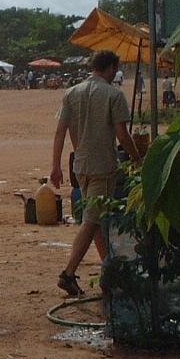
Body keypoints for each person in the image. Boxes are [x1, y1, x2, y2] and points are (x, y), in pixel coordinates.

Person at [49, 49, 142, 298]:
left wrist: (56, 166)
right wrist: (137, 158)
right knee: (92, 220)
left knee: (97, 220)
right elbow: (122, 134)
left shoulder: (72, 93)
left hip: (80, 165)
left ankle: (110, 272)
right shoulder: (114, 95)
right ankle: (68, 273)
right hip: (103, 166)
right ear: (111, 68)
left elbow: (60, 132)